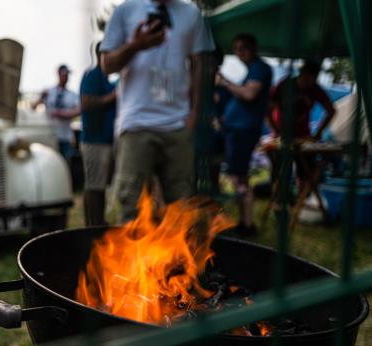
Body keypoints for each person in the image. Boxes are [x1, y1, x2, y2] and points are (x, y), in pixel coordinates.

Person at [100, 0, 215, 222]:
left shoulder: (191, 13)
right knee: (131, 207)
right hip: (135, 124)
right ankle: (132, 257)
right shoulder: (126, 10)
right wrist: (136, 45)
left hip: (178, 125)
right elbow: (106, 65)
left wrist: (194, 113)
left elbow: (199, 64)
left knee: (181, 208)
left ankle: (175, 258)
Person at [216, 33, 272, 236]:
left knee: (238, 178)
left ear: (253, 47)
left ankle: (247, 225)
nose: (240, 52)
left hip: (242, 131)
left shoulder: (260, 68)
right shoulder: (251, 71)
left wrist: (224, 83)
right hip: (236, 131)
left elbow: (249, 94)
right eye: (237, 48)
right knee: (238, 176)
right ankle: (244, 222)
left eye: (244, 47)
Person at [267, 60, 336, 192]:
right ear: (301, 74)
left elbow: (331, 111)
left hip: (303, 136)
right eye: (306, 78)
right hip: (281, 136)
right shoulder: (284, 85)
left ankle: (302, 201)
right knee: (279, 171)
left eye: (312, 79)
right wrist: (275, 130)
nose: (308, 83)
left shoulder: (315, 89)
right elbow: (267, 110)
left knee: (305, 172)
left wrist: (319, 133)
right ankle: (278, 203)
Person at [79, 42, 117, 226]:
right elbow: (86, 103)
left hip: (104, 140)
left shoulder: (106, 79)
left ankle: (98, 222)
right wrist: (112, 97)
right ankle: (91, 224)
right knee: (93, 186)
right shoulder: (92, 75)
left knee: (99, 186)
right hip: (94, 141)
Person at [33, 65, 80, 162]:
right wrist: (41, 97)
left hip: (65, 137)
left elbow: (78, 111)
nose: (66, 77)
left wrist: (61, 114)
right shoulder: (49, 91)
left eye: (67, 75)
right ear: (58, 74)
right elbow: (33, 107)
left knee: (65, 163)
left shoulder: (72, 95)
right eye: (64, 74)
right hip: (50, 135)